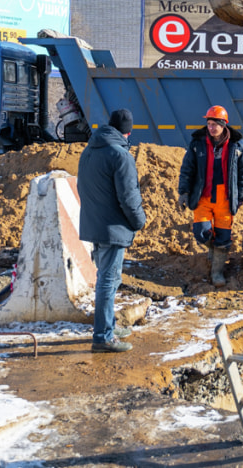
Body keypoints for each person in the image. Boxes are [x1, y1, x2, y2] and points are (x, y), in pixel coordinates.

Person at [78, 108, 146, 353]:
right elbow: (129, 198)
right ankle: (103, 337)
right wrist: (139, 221)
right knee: (108, 281)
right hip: (112, 227)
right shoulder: (121, 156)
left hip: (94, 224)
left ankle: (108, 325)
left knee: (107, 278)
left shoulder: (90, 150)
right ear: (128, 131)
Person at [177, 105, 243, 287]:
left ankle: (217, 272)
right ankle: (213, 249)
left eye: (214, 124)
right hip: (203, 195)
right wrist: (184, 192)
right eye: (209, 124)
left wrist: (241, 196)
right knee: (201, 232)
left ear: (223, 124)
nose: (211, 128)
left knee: (223, 237)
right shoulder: (198, 143)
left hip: (225, 198)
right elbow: (187, 169)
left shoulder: (237, 145)